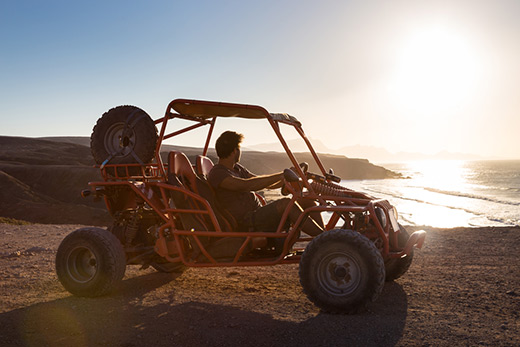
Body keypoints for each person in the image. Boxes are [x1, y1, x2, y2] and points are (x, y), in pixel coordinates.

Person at [208, 131, 324, 241]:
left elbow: (262, 182)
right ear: (234, 151)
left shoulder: (237, 168)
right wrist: (282, 174)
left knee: (307, 202)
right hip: (245, 222)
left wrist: (287, 178)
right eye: (239, 148)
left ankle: (324, 237)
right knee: (285, 203)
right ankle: (324, 238)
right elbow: (247, 185)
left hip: (258, 215)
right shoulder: (218, 173)